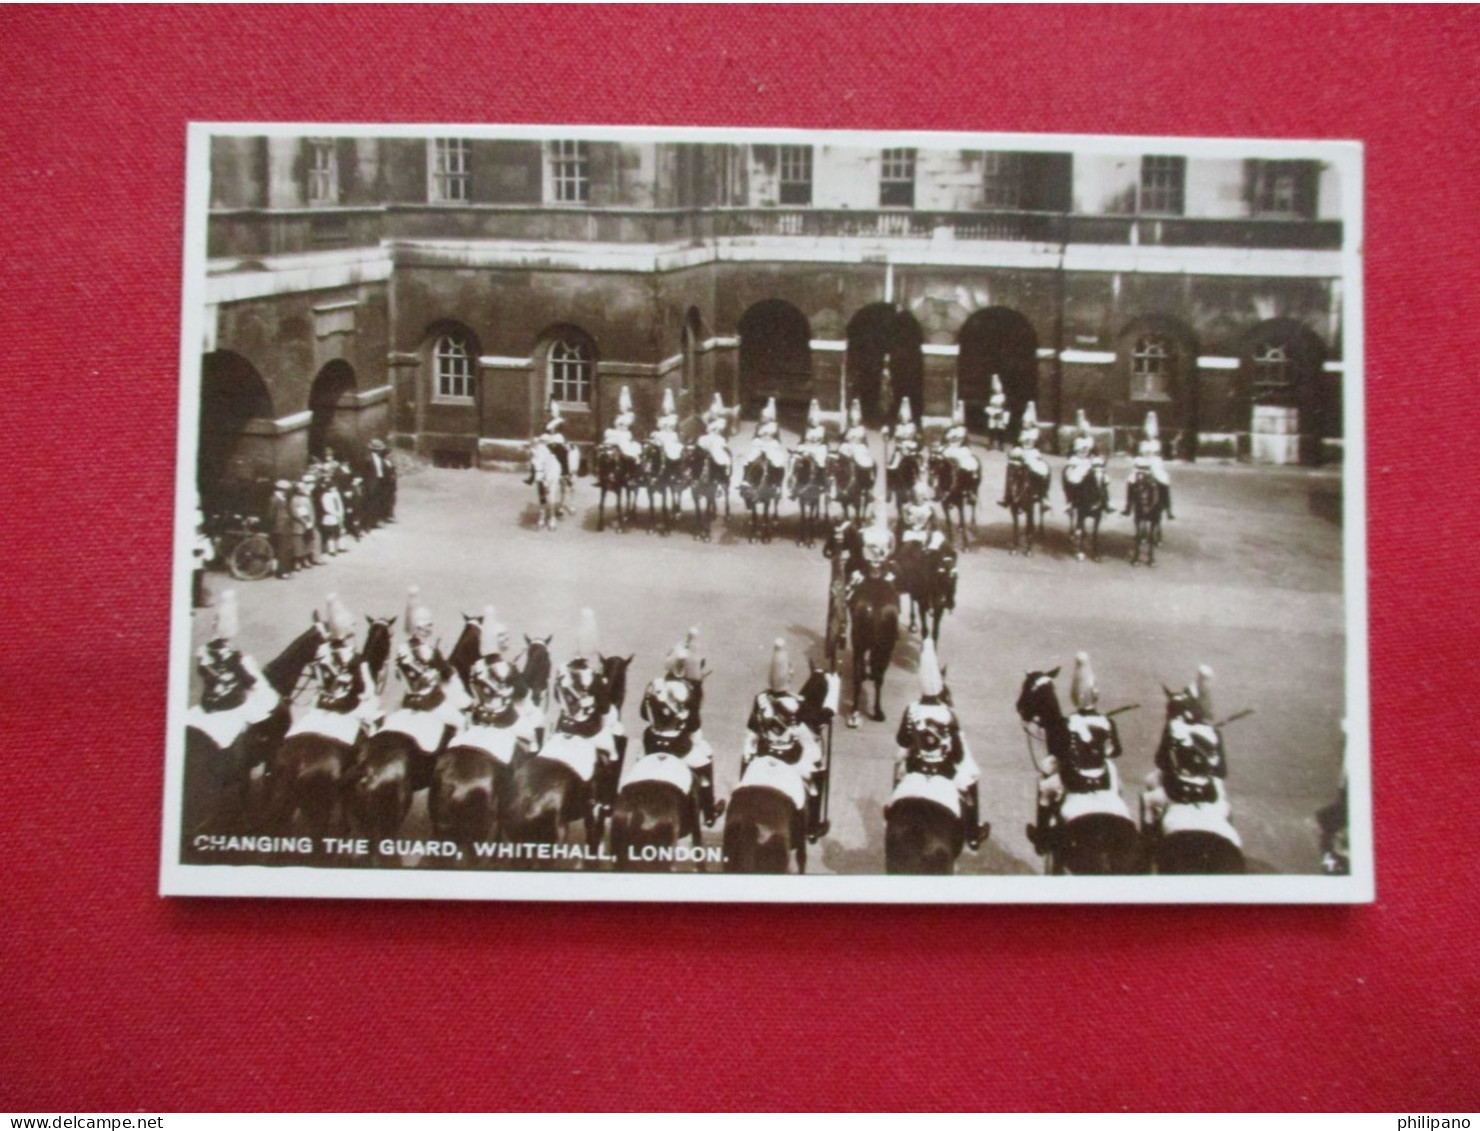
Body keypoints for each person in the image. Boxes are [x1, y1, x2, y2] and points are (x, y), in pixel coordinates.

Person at [890, 638, 986, 850]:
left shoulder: (911, 709)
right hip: (943, 772)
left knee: (898, 766)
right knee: (970, 779)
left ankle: (891, 808)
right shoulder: (948, 713)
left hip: (915, 769)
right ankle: (972, 833)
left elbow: (902, 741)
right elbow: (959, 755)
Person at [1028, 652, 1126, 853]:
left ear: (1074, 696)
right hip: (1102, 779)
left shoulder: (1067, 723)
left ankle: (1042, 839)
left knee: (1045, 789)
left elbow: (1058, 752)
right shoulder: (1107, 722)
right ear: (1096, 695)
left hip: (1075, 781)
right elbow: (1114, 751)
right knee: (1118, 786)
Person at [634, 626, 724, 827]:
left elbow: (643, 713)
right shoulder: (688, 689)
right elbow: (693, 725)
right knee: (705, 761)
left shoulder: (653, 684)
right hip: (678, 746)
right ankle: (708, 813)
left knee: (636, 767)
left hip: (652, 744)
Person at [742, 639, 828, 841]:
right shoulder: (798, 703)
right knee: (815, 774)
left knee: (746, 762)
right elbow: (820, 720)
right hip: (790, 759)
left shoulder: (760, 699)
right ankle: (812, 827)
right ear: (788, 675)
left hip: (763, 756)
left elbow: (752, 731)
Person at [545, 608, 626, 816]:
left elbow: (556, 697)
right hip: (589, 732)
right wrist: (608, 723)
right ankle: (605, 800)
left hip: (563, 727)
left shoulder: (562, 671)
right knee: (613, 752)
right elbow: (605, 710)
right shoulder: (594, 677)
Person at [1142, 665, 1234, 836]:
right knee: (1227, 810)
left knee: (1147, 800)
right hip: (1207, 794)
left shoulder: (1173, 728)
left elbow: (1161, 763)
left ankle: (1146, 848)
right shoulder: (1214, 733)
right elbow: (1221, 772)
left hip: (1177, 792)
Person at [184, 589, 280, 752]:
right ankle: (260, 749)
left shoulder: (202, 651)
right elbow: (248, 680)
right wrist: (252, 681)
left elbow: (202, 671)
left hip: (208, 702)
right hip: (231, 703)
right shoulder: (235, 656)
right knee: (264, 708)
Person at [379, 587, 466, 759]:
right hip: (431, 703)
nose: (430, 629)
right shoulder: (431, 652)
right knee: (460, 722)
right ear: (420, 629)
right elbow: (447, 674)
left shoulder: (401, 649)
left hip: (409, 702)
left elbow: (398, 675)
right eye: (428, 626)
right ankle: (450, 759)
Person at [284, 593, 379, 748]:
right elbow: (364, 689)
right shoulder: (355, 658)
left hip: (322, 704)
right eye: (352, 624)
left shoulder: (320, 652)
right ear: (346, 629)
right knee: (372, 722)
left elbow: (317, 677)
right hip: (347, 706)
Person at [457, 608, 541, 768]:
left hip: (479, 720)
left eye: (506, 634)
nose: (507, 638)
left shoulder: (476, 666)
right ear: (494, 640)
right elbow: (523, 694)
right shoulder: (508, 668)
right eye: (502, 635)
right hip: (504, 721)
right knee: (532, 737)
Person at [997, 400, 1051, 510]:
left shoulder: (1037, 432)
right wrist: (1014, 451)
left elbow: (1043, 445)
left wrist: (1040, 448)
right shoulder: (1020, 432)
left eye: (1026, 422)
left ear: (1031, 423)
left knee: (1044, 469)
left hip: (1033, 453)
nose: (1024, 424)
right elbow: (1016, 444)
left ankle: (1043, 496)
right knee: (1010, 468)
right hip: (1021, 453)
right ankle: (1007, 495)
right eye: (1023, 422)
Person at [1123, 410, 1175, 520]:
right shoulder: (1141, 443)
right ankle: (1128, 506)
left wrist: (1156, 460)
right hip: (1142, 465)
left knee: (1164, 481)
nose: (1149, 436)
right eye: (1147, 434)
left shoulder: (1158, 443)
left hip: (1155, 465)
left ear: (1154, 434)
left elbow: (1162, 455)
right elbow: (1136, 454)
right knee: (1131, 480)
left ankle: (1168, 508)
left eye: (1151, 434)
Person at [1062, 409, 1109, 511]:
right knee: (1071, 477)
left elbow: (1096, 452)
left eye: (1086, 431)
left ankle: (1104, 500)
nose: (1085, 433)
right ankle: (1071, 500)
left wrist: (1098, 458)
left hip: (1088, 462)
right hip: (1077, 461)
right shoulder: (1075, 440)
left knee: (1101, 476)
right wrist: (1073, 456)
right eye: (1083, 431)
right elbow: (1069, 453)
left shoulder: (1091, 440)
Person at [742, 396, 787, 474]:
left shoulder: (775, 426)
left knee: (776, 460)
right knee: (750, 458)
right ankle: (747, 475)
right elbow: (755, 436)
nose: (762, 418)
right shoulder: (759, 426)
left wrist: (771, 440)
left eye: (764, 417)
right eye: (762, 416)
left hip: (770, 445)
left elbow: (778, 439)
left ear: (769, 418)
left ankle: (774, 476)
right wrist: (758, 439)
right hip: (760, 444)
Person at [603, 386, 643, 461]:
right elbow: (615, 425)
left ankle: (632, 456)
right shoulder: (619, 416)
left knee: (623, 442)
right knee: (608, 432)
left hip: (625, 433)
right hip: (617, 432)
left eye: (622, 406)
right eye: (620, 406)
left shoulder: (630, 415)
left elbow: (628, 423)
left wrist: (621, 423)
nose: (621, 408)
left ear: (627, 407)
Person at [695, 393, 733, 471]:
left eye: (716, 414)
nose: (714, 415)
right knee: (699, 445)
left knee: (717, 448)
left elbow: (721, 431)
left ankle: (721, 466)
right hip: (708, 437)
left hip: (717, 438)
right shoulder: (707, 418)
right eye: (713, 414)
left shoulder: (721, 421)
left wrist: (713, 427)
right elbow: (703, 424)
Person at [364, 439, 396, 528]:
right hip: (371, 483)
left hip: (380, 482)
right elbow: (365, 473)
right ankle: (370, 523)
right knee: (371, 503)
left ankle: (377, 520)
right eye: (378, 449)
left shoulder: (380, 459)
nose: (379, 451)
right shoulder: (368, 459)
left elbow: (384, 471)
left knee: (378, 502)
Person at [267, 479, 294, 578]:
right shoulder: (274, 499)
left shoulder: (282, 498)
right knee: (282, 550)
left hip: (285, 526)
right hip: (280, 527)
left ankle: (285, 569)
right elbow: (271, 515)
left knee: (286, 549)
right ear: (281, 489)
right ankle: (282, 572)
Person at [290, 478, 318, 571]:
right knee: (298, 544)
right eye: (302, 488)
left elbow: (312, 511)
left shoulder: (307, 499)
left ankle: (305, 559)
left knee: (308, 542)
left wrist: (312, 522)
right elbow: (295, 513)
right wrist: (304, 522)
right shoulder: (294, 500)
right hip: (299, 525)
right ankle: (297, 561)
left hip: (309, 524)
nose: (304, 489)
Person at [886, 396, 920, 473]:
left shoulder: (912, 426)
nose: (904, 420)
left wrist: (916, 441)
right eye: (902, 418)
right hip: (900, 445)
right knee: (896, 458)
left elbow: (916, 436)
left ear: (909, 418)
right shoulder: (898, 426)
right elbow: (896, 437)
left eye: (906, 418)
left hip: (910, 444)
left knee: (915, 456)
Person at [317, 474, 344, 556]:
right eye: (333, 487)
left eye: (335, 487)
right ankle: (331, 550)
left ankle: (339, 547)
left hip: (338, 516)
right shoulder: (325, 496)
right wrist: (335, 513)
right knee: (331, 535)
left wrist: (340, 513)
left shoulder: (336, 494)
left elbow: (339, 504)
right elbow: (327, 508)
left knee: (338, 533)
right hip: (330, 517)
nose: (334, 489)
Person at [984, 373, 1009, 447]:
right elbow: (987, 405)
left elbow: (1005, 406)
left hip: (1000, 413)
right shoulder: (991, 396)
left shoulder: (1003, 396)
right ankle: (991, 443)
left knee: (1000, 429)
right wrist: (990, 410)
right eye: (995, 390)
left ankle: (1001, 444)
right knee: (991, 428)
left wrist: (1002, 412)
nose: (997, 391)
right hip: (992, 413)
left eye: (998, 389)